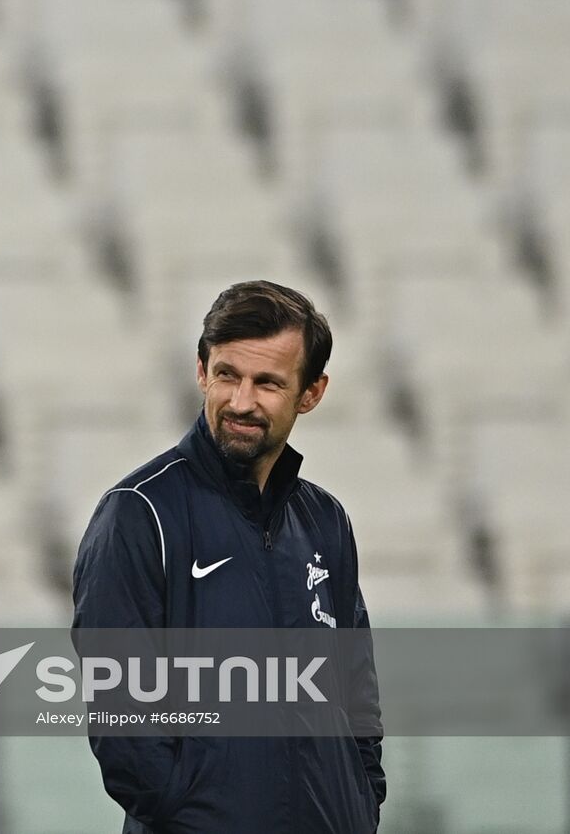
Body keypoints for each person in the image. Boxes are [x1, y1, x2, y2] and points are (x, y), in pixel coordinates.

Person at [72, 280, 384, 833]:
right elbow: (121, 718)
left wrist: (360, 800)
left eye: (267, 383)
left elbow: (355, 689)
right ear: (201, 371)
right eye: (226, 375)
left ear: (311, 393)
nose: (241, 402)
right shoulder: (139, 514)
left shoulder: (326, 521)